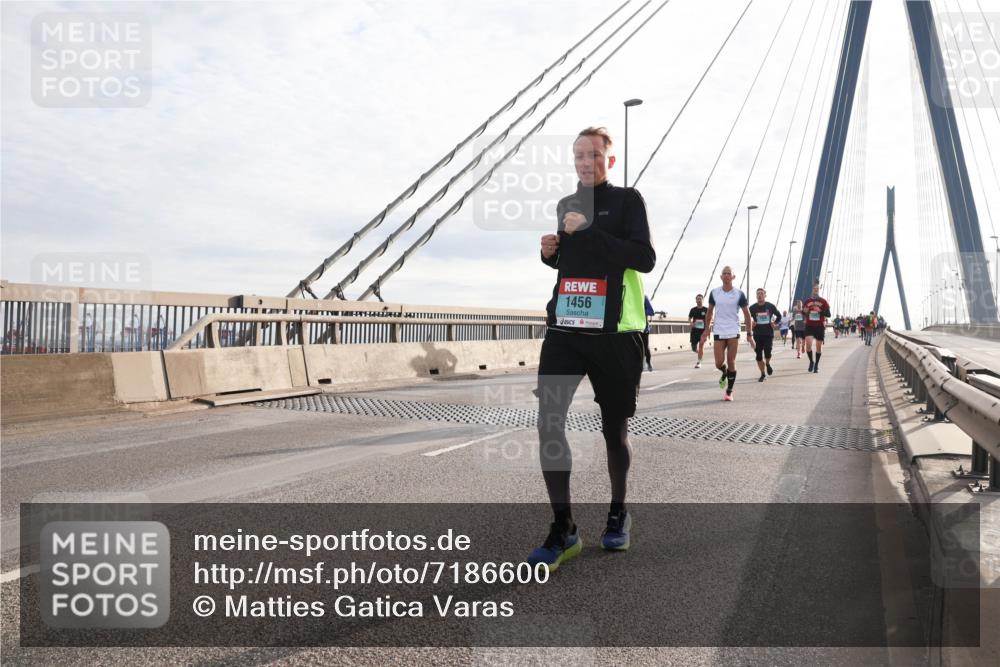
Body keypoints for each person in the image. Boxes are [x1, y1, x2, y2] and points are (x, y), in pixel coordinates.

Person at [531, 126, 655, 570]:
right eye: (580, 155)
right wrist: (552, 254)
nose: (587, 162)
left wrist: (591, 232)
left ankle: (618, 509)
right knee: (548, 422)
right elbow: (573, 263)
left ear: (610, 160)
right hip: (566, 331)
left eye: (595, 155)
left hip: (615, 334)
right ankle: (563, 528)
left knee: (613, 431)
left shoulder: (628, 201)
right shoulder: (566, 204)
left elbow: (643, 258)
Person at [700, 266, 754, 401]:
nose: (726, 275)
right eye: (724, 273)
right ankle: (723, 371)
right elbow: (709, 313)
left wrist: (749, 334)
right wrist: (707, 330)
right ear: (721, 276)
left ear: (733, 277)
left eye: (729, 273)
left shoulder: (739, 294)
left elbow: (747, 315)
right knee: (718, 363)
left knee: (731, 361)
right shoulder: (714, 293)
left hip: (733, 331)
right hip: (718, 330)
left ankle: (729, 391)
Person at [748, 288, 781, 382]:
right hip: (757, 334)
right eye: (758, 294)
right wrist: (751, 323)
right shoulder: (752, 308)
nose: (759, 295)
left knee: (768, 352)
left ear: (765, 295)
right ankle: (763, 374)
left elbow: (779, 316)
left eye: (761, 293)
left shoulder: (770, 306)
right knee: (758, 356)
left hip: (768, 333)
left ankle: (767, 363)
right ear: (756, 296)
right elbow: (747, 318)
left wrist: (775, 323)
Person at [802, 282, 832, 372]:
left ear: (819, 290)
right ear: (812, 290)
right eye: (814, 288)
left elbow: (829, 314)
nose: (816, 290)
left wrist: (820, 311)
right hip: (810, 325)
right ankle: (811, 361)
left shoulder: (823, 301)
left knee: (818, 347)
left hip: (819, 326)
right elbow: (804, 312)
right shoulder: (807, 301)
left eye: (817, 289)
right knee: (808, 345)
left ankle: (816, 366)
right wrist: (805, 311)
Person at [688, 294, 708, 368]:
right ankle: (700, 354)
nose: (699, 300)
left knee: (701, 345)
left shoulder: (706, 309)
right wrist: (691, 323)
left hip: (703, 331)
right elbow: (689, 318)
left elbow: (710, 319)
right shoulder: (693, 310)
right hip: (694, 331)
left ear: (703, 300)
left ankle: (699, 362)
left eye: (700, 299)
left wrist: (707, 330)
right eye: (698, 299)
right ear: (696, 300)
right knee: (693, 348)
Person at [642, 295, 655, 372]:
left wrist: (640, 311)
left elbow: (651, 312)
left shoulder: (644, 297)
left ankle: (648, 362)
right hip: (631, 328)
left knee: (645, 347)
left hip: (643, 328)